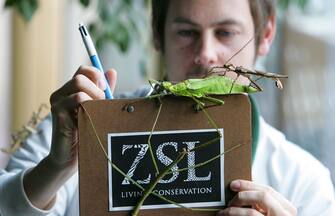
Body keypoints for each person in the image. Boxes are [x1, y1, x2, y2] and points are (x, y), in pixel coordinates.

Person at [1, 0, 334, 215]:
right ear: (157, 35)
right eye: (186, 32)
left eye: (226, 32)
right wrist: (57, 167)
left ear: (266, 34)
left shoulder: (304, 182)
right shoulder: (82, 122)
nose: (206, 54)